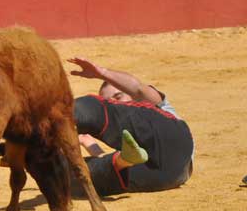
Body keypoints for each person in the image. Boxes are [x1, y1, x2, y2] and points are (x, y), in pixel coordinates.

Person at [67, 57, 195, 197]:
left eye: (118, 96)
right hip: (167, 178)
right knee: (76, 178)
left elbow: (138, 89)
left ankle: (54, 114)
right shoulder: (127, 139)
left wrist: (102, 72)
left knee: (94, 109)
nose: (114, 102)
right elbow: (121, 163)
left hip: (176, 145)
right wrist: (90, 144)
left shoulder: (157, 107)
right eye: (110, 101)